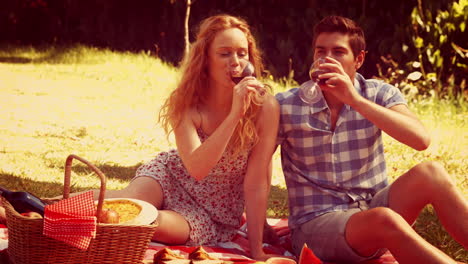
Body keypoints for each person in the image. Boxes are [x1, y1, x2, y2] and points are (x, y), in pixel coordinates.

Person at [0, 14, 280, 260]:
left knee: (142, 218)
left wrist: (256, 250)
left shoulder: (264, 106)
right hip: (174, 174)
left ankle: (36, 212)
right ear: (205, 58)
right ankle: (31, 209)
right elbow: (196, 168)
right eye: (225, 53)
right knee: (124, 202)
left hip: (211, 213)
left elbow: (257, 181)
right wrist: (234, 115)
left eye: (242, 53)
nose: (236, 62)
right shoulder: (187, 103)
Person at [275, 15, 468, 264]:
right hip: (317, 225)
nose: (326, 59)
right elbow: (255, 167)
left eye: (338, 52)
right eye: (320, 51)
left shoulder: (378, 93)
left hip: (372, 210)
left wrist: (353, 99)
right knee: (383, 219)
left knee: (431, 173)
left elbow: (421, 140)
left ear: (359, 59)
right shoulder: (287, 105)